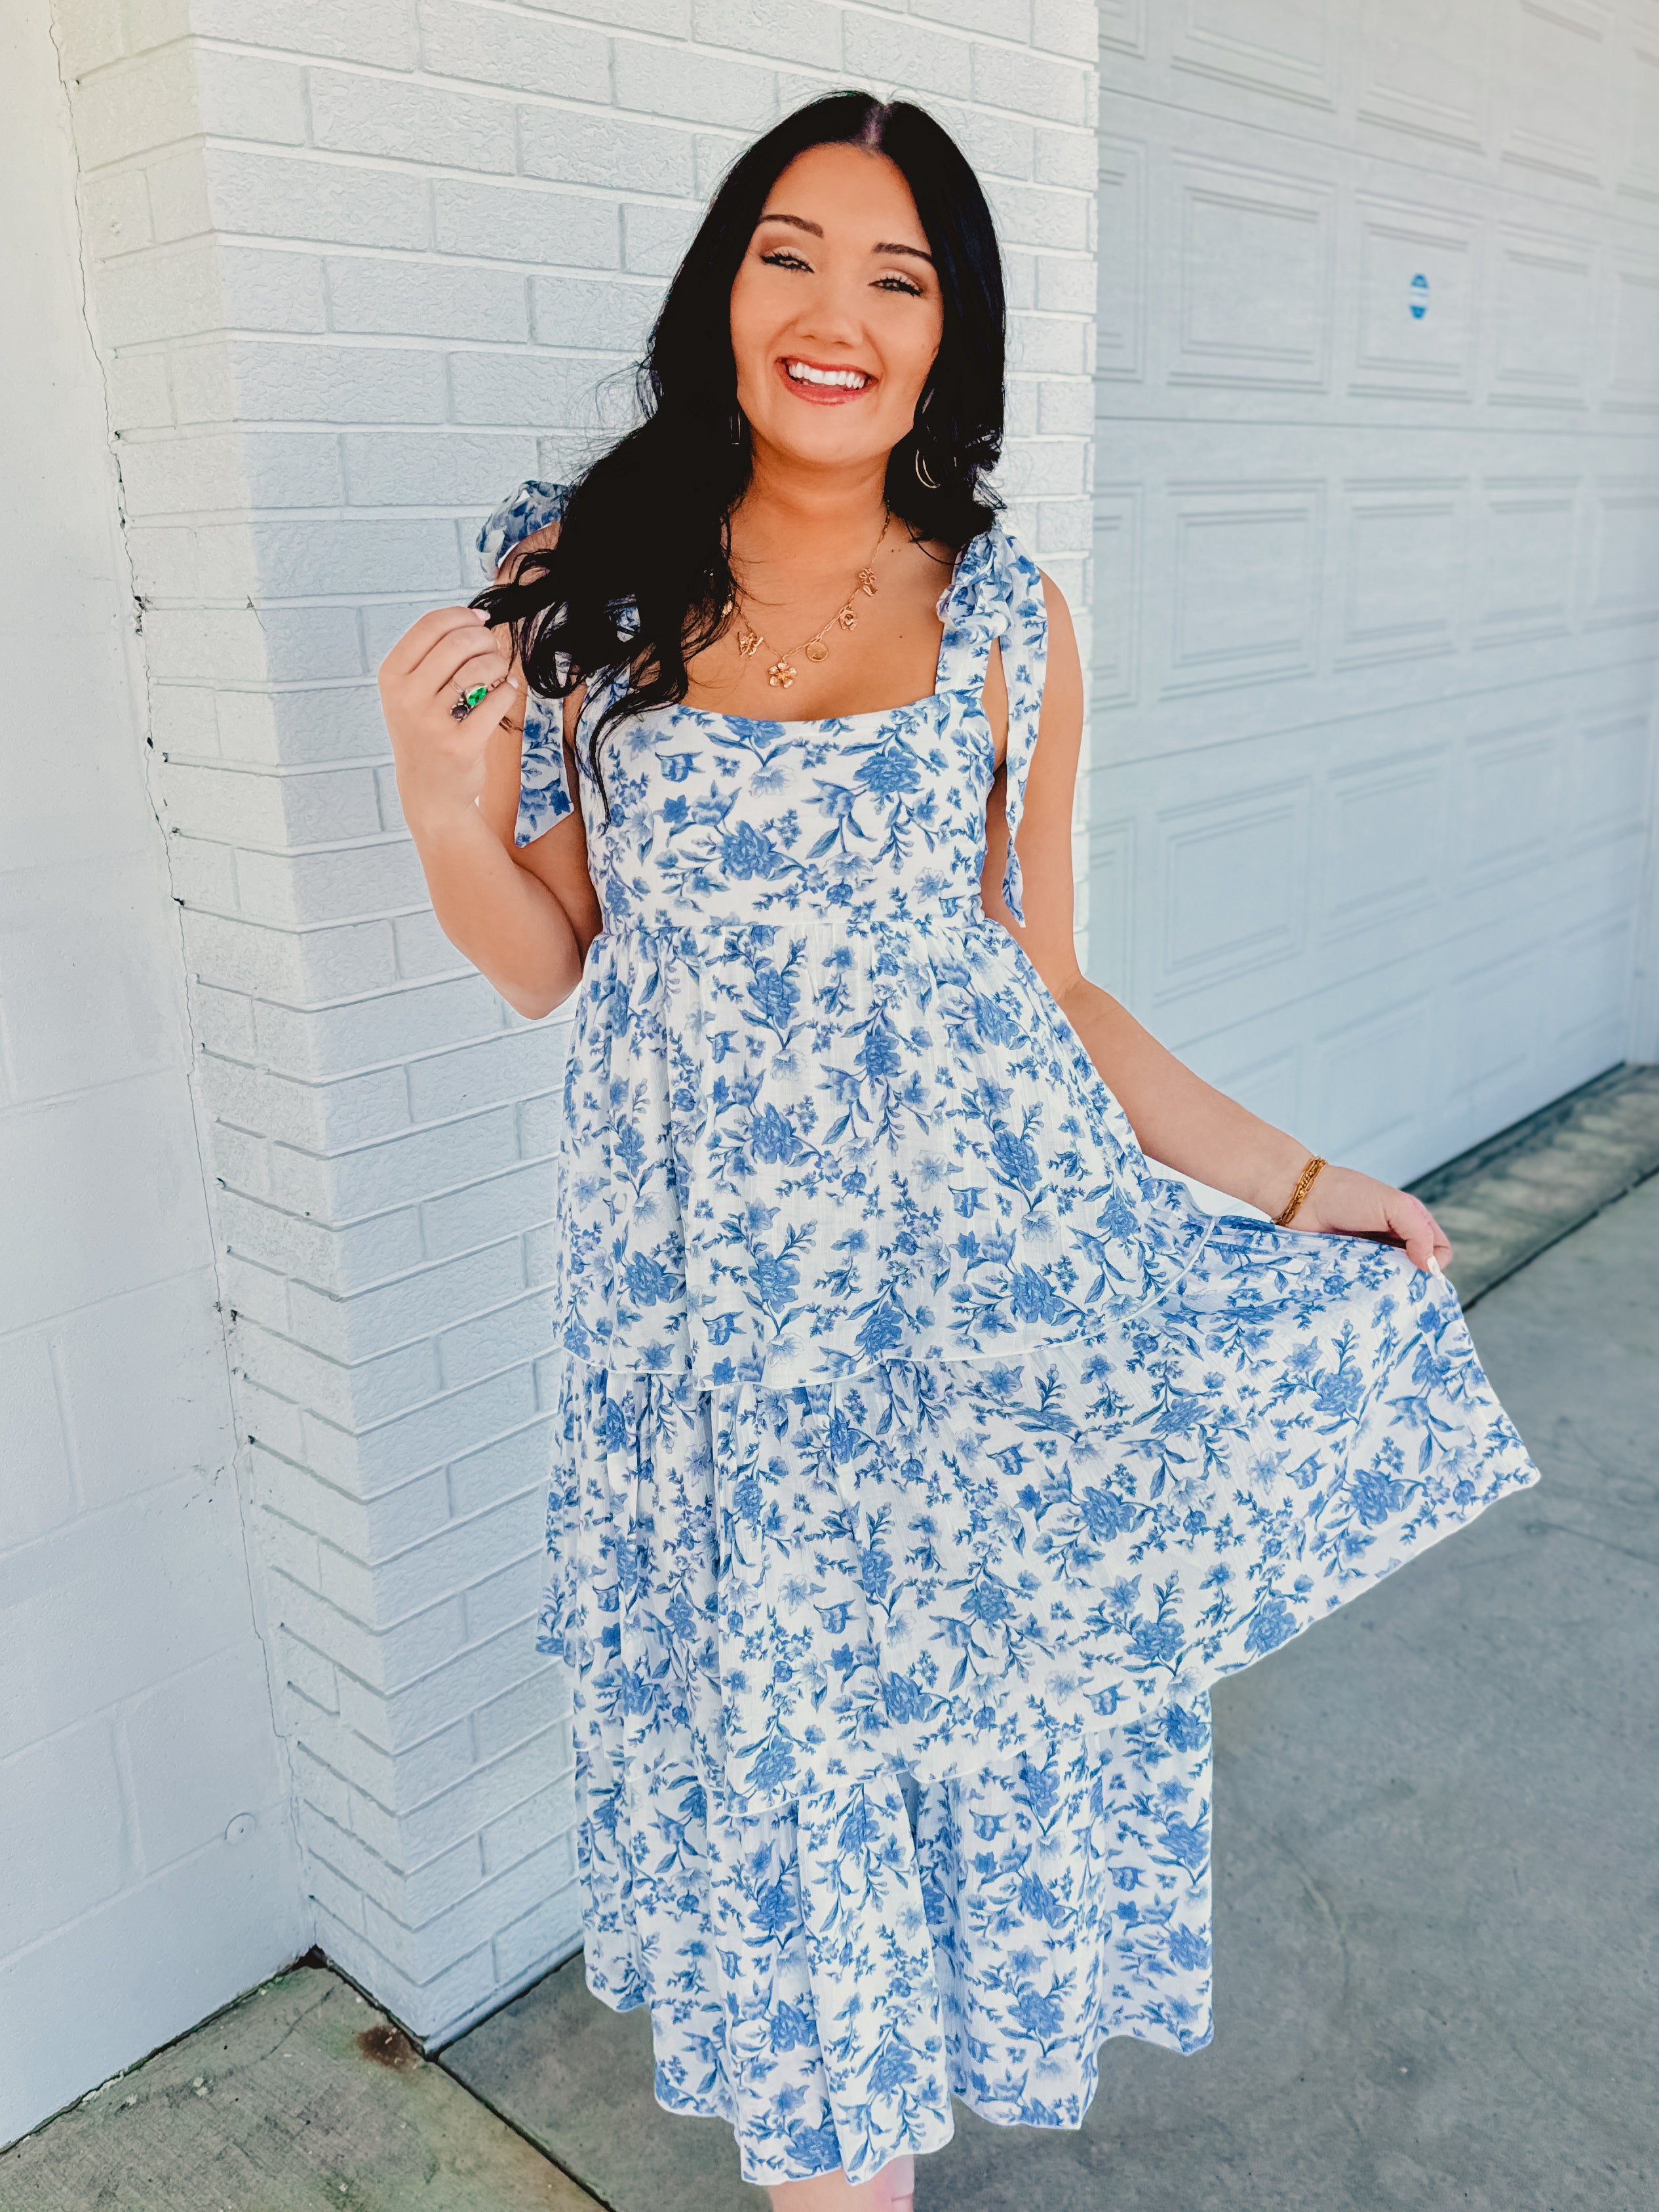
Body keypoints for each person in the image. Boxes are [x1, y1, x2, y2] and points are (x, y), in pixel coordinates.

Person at [376, 91, 1540, 2212]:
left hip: (978, 1307)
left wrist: (1295, 1186)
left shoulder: (1007, 613)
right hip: (714, 1326)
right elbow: (556, 969)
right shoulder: (577, 565)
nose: (836, 313)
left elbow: (1056, 993)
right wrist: (444, 805)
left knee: (956, 1757)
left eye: (897, 279)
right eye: (790, 253)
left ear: (948, 339)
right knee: (792, 1783)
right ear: (723, 288)